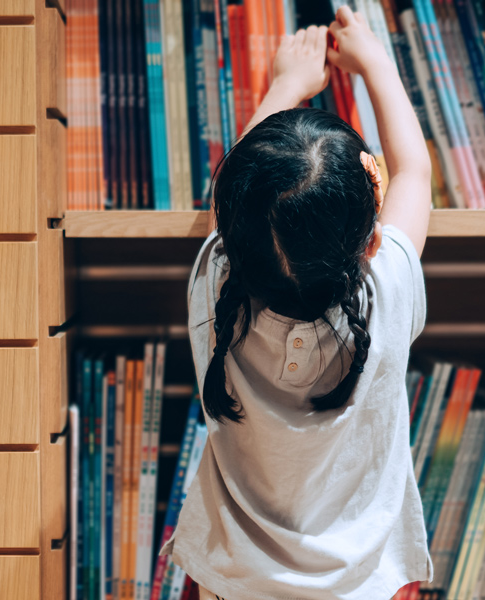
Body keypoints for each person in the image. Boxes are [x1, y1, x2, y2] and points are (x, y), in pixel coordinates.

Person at [159, 6, 434, 599]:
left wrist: (286, 84)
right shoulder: (387, 292)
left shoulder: (216, 294)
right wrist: (373, 62)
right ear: (372, 243)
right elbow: (414, 172)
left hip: (231, 583)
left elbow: (233, 194)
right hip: (363, 585)